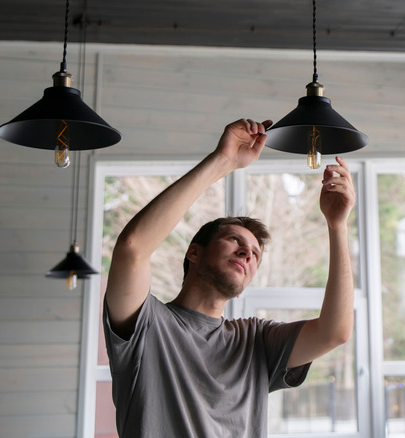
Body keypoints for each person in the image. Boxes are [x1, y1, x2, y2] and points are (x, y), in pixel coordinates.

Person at [103, 118, 356, 437]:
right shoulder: (146, 324)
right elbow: (132, 248)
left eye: (255, 253)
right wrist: (222, 160)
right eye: (235, 240)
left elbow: (335, 332)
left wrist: (338, 226)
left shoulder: (255, 340)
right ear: (194, 253)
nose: (248, 253)